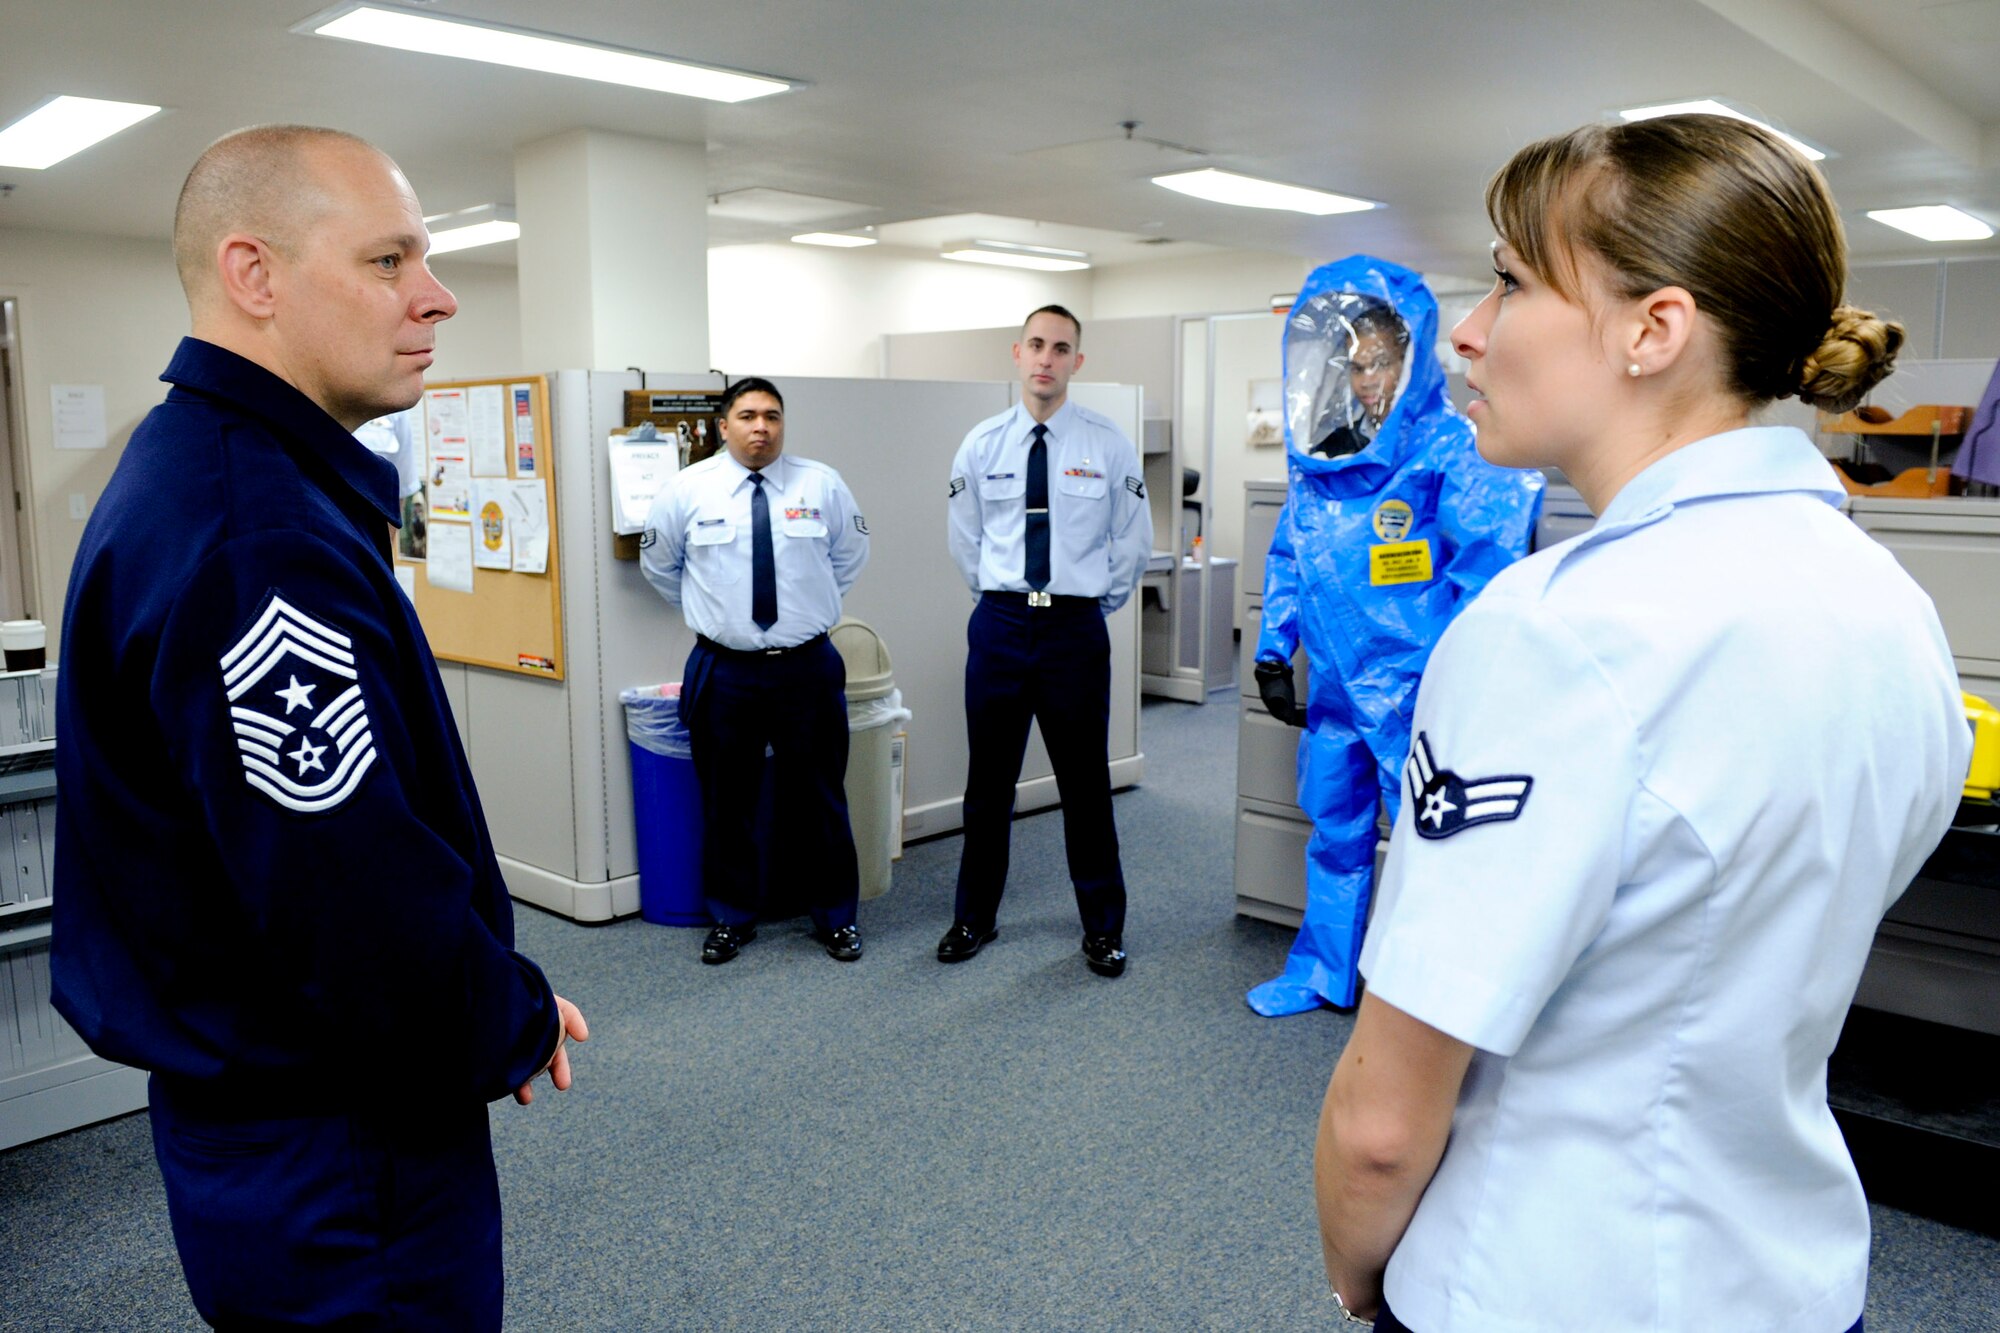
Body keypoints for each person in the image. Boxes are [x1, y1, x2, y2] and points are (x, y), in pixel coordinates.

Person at [1313, 115, 1967, 1333]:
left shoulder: (1553, 631)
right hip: (1790, 1284)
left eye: (1509, 282)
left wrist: (1360, 1277)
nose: (1465, 329)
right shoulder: (1887, 606)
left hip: (1536, 1285)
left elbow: (1381, 1126)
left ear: (1651, 330)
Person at [50, 125, 587, 1330]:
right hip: (338, 1147)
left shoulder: (196, 464)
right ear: (255, 276)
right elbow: (348, 895)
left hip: (270, 1120)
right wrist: (502, 1009)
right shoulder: (259, 537)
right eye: (390, 261)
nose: (436, 297)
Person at [1247, 258, 1542, 1018]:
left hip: (1422, 694)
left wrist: (1469, 686)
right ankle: (1324, 973)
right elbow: (1292, 552)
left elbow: (1492, 576)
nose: (1365, 377)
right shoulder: (1326, 458)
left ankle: (1422, 1000)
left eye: (1380, 360)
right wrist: (1274, 647)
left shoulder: (1456, 448)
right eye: (1353, 361)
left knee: (1436, 852)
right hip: (1340, 693)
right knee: (1336, 833)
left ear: (1412, 358)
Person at [941, 305, 1152, 976]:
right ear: (1017, 352)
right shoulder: (982, 443)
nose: (1046, 358)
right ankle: (974, 917)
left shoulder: (1107, 443)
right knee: (988, 786)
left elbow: (1133, 540)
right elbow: (965, 539)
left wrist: (1084, 600)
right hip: (1001, 625)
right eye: (1036, 344)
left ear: (1076, 363)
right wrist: (1004, 597)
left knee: (1086, 784)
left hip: (1073, 631)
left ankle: (1103, 927)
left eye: (1061, 348)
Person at [641, 377, 870, 964]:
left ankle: (836, 918)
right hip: (726, 671)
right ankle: (732, 917)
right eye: (746, 416)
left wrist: (800, 618)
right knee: (727, 800)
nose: (760, 427)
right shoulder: (687, 490)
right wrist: (718, 620)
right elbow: (662, 567)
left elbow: (847, 559)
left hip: (808, 667)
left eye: (771, 415)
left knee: (820, 796)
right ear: (724, 426)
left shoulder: (821, 484)